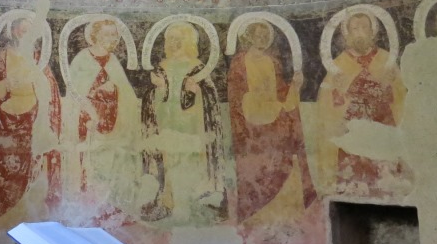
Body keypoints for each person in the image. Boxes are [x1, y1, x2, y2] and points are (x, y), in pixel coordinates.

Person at [226, 21, 315, 222]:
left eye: (265, 35)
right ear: (249, 37)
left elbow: (281, 94)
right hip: (250, 127)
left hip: (275, 123)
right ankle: (255, 217)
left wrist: (295, 86)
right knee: (256, 170)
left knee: (279, 165)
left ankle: (282, 217)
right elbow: (236, 95)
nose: (262, 39)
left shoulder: (272, 61)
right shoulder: (240, 62)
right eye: (257, 34)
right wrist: (254, 103)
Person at [140, 22, 224, 221]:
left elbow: (210, 100)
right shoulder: (162, 67)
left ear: (188, 41)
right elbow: (152, 101)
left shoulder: (197, 67)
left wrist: (196, 91)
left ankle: (195, 202)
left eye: (179, 39)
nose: (174, 43)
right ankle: (168, 202)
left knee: (191, 163)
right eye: (170, 39)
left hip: (193, 128)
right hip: (166, 125)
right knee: (168, 164)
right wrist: (158, 89)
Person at [316, 11, 407, 194]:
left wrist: (390, 86)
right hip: (352, 134)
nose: (360, 33)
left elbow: (402, 96)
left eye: (364, 27)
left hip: (382, 129)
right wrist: (338, 91)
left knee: (384, 183)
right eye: (355, 28)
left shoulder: (385, 59)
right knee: (354, 182)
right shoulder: (339, 64)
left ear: (372, 32)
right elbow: (326, 103)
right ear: (347, 34)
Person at [0, 17, 62, 223]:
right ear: (15, 32)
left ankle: (29, 215)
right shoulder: (0, 59)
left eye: (31, 32)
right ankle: (5, 219)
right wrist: (9, 83)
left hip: (35, 123)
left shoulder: (39, 59)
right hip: (7, 123)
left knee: (35, 167)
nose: (27, 36)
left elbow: (51, 92)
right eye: (23, 31)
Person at [68, 19, 139, 190]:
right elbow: (75, 92)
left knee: (111, 164)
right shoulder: (83, 59)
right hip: (88, 120)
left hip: (112, 122)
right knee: (91, 163)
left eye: (114, 34)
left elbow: (126, 94)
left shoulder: (112, 60)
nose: (112, 38)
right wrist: (98, 90)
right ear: (95, 36)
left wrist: (114, 88)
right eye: (107, 34)